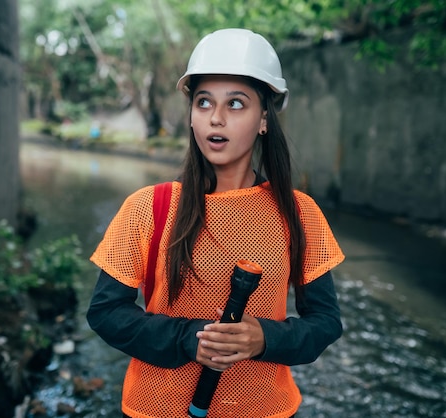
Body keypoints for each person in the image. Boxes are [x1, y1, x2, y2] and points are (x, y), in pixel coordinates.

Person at [87, 28, 345, 418]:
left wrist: (265, 339)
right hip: (156, 409)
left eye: (236, 104)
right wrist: (189, 339)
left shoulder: (299, 212)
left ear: (264, 119)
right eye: (204, 102)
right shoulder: (149, 207)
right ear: (191, 116)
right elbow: (106, 312)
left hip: (266, 409)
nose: (216, 119)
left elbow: (325, 323)